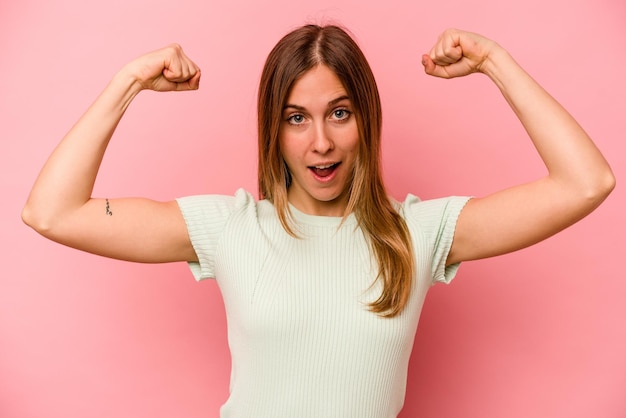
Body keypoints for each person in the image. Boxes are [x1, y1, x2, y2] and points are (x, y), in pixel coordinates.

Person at [22, 24, 614, 417]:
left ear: (367, 119)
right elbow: (51, 212)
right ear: (272, 131)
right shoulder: (228, 228)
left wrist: (494, 60)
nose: (321, 143)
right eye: (296, 118)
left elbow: (586, 182)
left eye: (339, 113)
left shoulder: (418, 234)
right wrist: (128, 83)